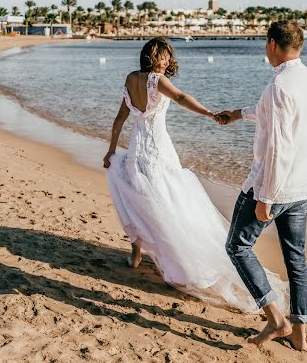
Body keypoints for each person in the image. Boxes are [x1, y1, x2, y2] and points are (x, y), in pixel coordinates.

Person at [103, 37, 287, 312]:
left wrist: (110, 151)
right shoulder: (156, 80)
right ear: (156, 57)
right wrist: (208, 113)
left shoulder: (131, 79)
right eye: (164, 56)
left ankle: (136, 255)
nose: (167, 61)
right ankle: (179, 264)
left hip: (136, 151)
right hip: (157, 151)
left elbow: (120, 120)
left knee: (140, 201)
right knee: (163, 204)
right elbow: (180, 97)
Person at [215, 20, 307, 351]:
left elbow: (278, 148)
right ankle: (299, 334)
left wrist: (265, 198)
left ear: (274, 44)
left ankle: (276, 319)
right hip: (303, 187)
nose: (265, 49)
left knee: (237, 246)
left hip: (273, 186)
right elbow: (279, 118)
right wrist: (239, 113)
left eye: (266, 43)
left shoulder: (279, 87)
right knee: (296, 259)